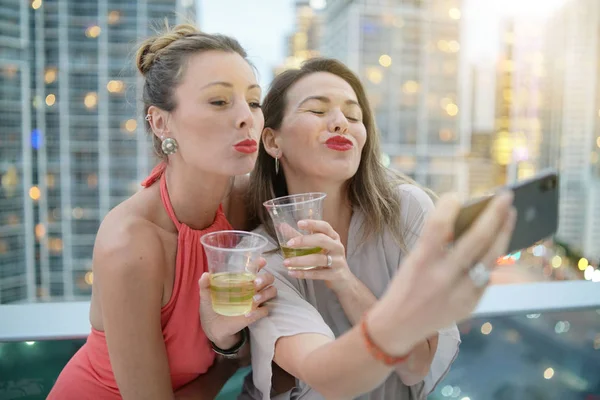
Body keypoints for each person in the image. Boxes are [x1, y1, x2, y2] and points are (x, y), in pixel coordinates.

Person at [239, 58, 517, 400]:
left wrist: (345, 282)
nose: (341, 123)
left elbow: (415, 365)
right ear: (272, 141)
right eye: (317, 110)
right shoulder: (261, 256)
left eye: (354, 116)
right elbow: (327, 377)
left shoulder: (406, 211)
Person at [47, 24, 277, 400]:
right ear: (160, 122)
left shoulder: (248, 204)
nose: (246, 117)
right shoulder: (130, 243)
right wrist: (231, 360)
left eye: (253, 102)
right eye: (219, 101)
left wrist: (227, 350)